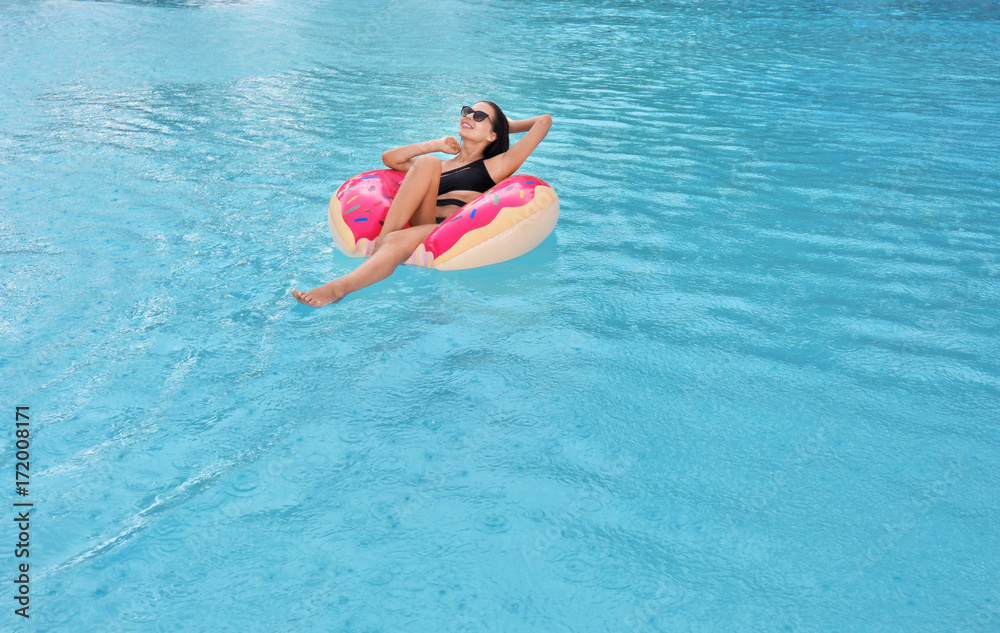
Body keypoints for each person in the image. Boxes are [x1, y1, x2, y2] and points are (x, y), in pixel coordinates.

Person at [293, 101, 552, 307]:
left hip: (448, 231)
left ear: (493, 135)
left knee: (399, 235)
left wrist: (506, 125)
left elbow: (543, 122)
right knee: (427, 162)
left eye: (480, 116)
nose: (470, 116)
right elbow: (390, 158)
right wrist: (436, 145)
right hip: (424, 222)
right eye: (467, 111)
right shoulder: (440, 164)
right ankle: (386, 240)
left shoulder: (497, 165)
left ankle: (338, 288)